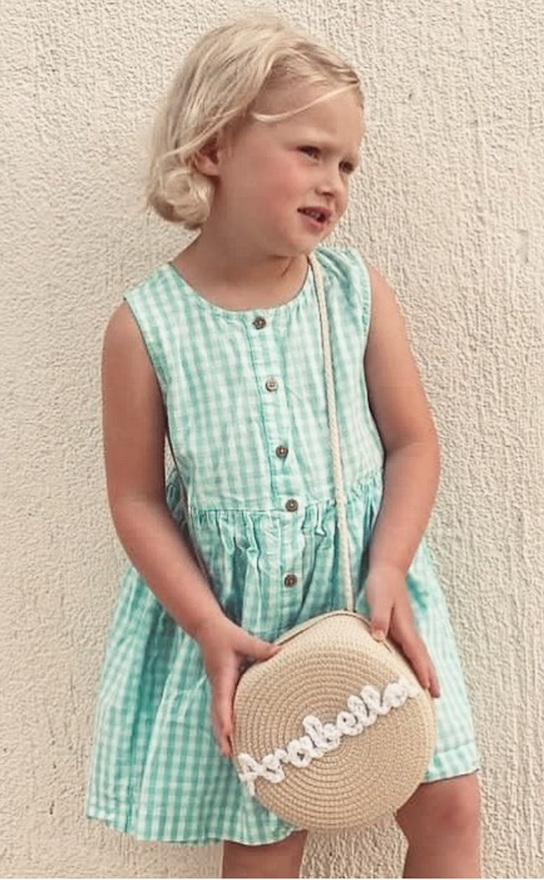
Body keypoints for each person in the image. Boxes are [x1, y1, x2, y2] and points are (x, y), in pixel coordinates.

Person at [87, 14, 481, 878]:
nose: (334, 182)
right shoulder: (146, 326)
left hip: (377, 600)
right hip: (245, 625)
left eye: (347, 164)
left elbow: (413, 444)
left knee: (449, 802)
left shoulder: (353, 292)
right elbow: (136, 499)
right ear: (212, 147)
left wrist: (389, 566)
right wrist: (206, 625)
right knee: (268, 834)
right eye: (309, 151)